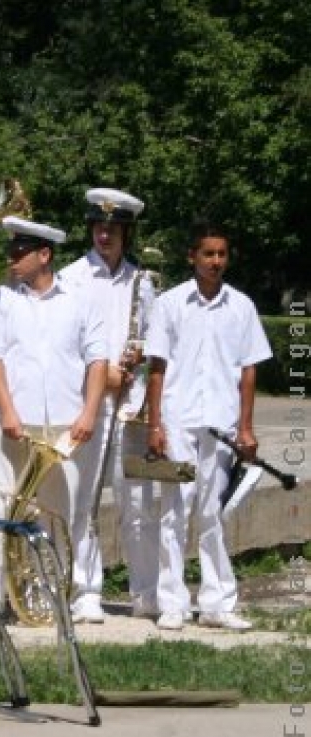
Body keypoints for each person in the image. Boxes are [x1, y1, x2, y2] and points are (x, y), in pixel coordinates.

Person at [0, 216, 108, 623]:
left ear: (44, 255)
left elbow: (97, 359)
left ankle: (49, 593)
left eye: (19, 253)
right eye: (11, 252)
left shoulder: (81, 299)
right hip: (11, 423)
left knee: (58, 514)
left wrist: (89, 412)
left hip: (64, 427)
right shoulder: (2, 298)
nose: (11, 259)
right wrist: (8, 411)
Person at [145, 220, 272, 631]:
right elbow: (158, 368)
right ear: (192, 257)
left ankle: (217, 602)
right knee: (174, 511)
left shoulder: (243, 306)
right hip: (179, 419)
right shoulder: (169, 303)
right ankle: (173, 602)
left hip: (221, 422)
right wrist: (155, 424)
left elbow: (249, 371)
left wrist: (247, 428)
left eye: (221, 254)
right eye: (208, 254)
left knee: (213, 511)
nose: (216, 261)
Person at [58, 187, 157, 622]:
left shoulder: (143, 282)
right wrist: (102, 376)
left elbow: (157, 344)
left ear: (126, 232)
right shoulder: (71, 278)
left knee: (138, 503)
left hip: (131, 407)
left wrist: (140, 358)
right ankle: (85, 591)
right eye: (98, 227)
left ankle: (146, 593)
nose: (104, 235)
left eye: (113, 228)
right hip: (90, 404)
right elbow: (62, 346)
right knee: (84, 501)